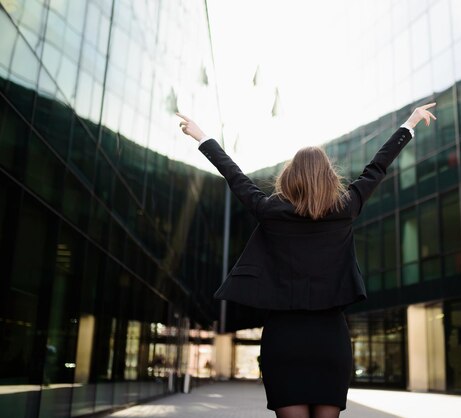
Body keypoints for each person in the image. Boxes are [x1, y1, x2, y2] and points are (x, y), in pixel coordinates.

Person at [176, 103, 436, 418]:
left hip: (283, 340)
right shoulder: (347, 207)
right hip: (330, 340)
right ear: (328, 176)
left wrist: (201, 136)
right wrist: (409, 124)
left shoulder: (269, 211)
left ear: (291, 176)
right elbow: (376, 167)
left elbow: (233, 174)